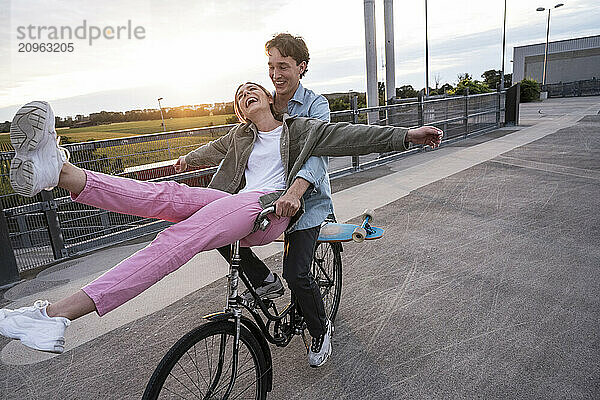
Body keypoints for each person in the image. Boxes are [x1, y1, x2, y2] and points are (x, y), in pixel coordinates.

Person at [0, 83, 442, 363]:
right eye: (239, 95)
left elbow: (356, 134)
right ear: (240, 112)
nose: (246, 94)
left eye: (254, 89)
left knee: (178, 238)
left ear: (269, 98)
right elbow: (194, 159)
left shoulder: (304, 129)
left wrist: (408, 134)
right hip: (234, 203)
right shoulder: (238, 137)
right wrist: (160, 166)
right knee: (165, 197)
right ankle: (59, 173)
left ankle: (56, 315)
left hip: (267, 213)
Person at [213, 33, 336, 367]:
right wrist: (187, 160)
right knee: (217, 230)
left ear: (301, 67)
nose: (276, 74)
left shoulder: (315, 105)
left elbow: (316, 153)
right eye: (271, 66)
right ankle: (264, 280)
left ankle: (321, 328)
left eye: (283, 66)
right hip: (267, 199)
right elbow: (226, 145)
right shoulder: (266, 103)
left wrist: (295, 193)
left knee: (297, 274)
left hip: (304, 202)